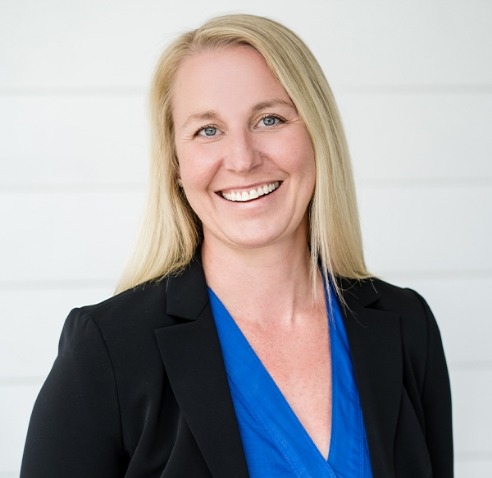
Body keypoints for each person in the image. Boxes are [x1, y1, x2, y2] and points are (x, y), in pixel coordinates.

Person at [21, 14, 453, 478]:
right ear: (176, 164)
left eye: (270, 119)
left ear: (317, 136)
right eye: (208, 130)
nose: (244, 159)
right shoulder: (106, 349)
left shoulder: (407, 325)